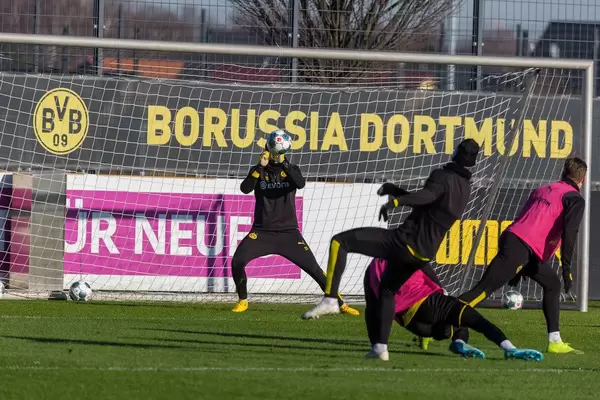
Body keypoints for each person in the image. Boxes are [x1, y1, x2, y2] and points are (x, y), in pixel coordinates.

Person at [300, 138, 481, 355]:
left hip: (405, 246)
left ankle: (333, 301)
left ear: (455, 152)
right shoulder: (464, 188)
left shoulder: (442, 176)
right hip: (424, 256)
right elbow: (429, 202)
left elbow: (426, 196)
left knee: (341, 243)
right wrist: (397, 191)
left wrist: (397, 202)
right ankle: (387, 347)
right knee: (389, 293)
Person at [454, 157, 587, 354]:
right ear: (582, 180)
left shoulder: (543, 189)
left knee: (552, 284)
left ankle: (555, 341)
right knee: (481, 292)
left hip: (516, 241)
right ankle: (433, 325)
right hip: (521, 247)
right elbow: (570, 233)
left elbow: (525, 219)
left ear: (563, 173)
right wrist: (567, 269)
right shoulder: (574, 198)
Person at [231, 135, 360, 317]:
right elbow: (245, 188)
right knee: (238, 261)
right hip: (262, 232)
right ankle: (243, 300)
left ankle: (341, 303)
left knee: (315, 270)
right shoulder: (258, 170)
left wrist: (282, 163)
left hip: (288, 234)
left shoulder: (291, 169)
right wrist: (260, 166)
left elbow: (300, 183)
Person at [363, 258, 543, 361]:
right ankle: (509, 348)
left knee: (451, 324)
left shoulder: (371, 270)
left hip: (412, 323)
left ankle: (459, 343)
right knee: (472, 319)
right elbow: (425, 267)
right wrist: (442, 290)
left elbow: (372, 310)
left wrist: (377, 344)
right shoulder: (405, 250)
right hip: (429, 302)